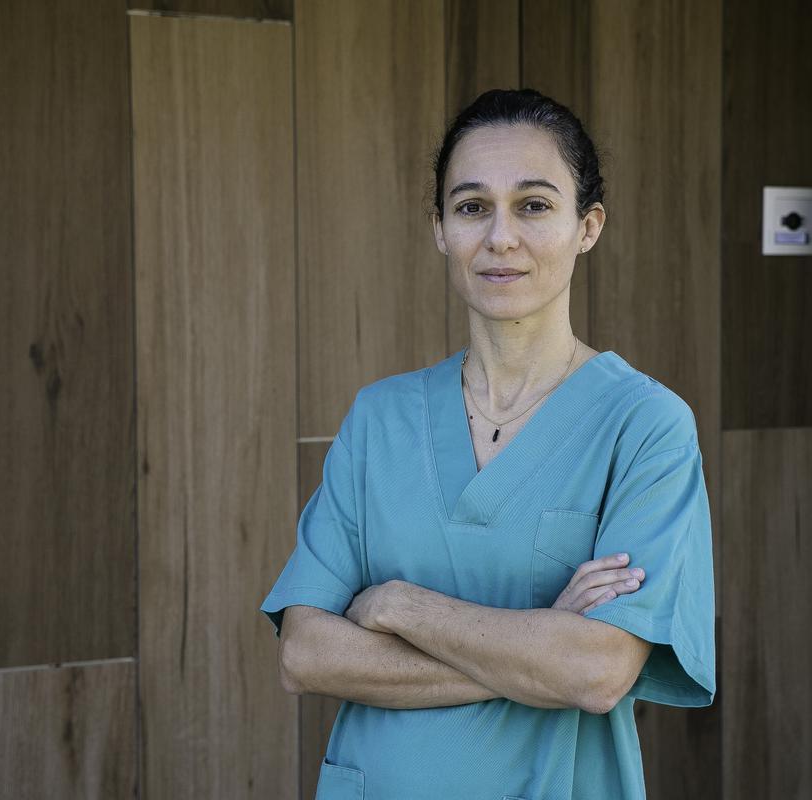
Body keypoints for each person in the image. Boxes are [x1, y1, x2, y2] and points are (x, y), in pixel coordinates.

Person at [260, 88, 715, 800]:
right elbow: (307, 653)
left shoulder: (644, 425)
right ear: (441, 228)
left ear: (587, 226)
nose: (500, 237)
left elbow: (596, 673)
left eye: (534, 205)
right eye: (472, 207)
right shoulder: (380, 419)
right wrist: (540, 645)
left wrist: (401, 608)